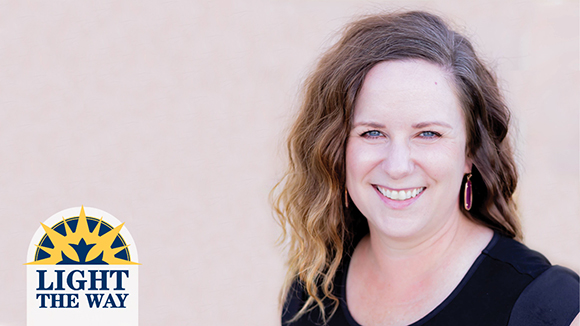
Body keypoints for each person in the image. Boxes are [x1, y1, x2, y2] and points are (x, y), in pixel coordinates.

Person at [272, 10, 579, 326]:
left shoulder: (547, 308)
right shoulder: (312, 291)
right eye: (372, 132)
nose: (397, 166)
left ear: (471, 152)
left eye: (428, 134)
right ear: (336, 149)